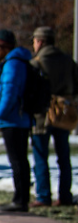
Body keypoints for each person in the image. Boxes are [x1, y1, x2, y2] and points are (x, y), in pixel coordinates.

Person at [29, 26, 77, 207]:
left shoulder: (37, 62)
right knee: (63, 156)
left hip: (43, 114)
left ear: (40, 41)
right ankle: (64, 195)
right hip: (64, 113)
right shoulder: (68, 61)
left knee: (41, 155)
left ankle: (43, 195)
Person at [0, 29, 33, 212]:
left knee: (17, 161)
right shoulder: (21, 62)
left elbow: (9, 93)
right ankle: (21, 198)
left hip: (13, 119)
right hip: (21, 118)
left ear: (4, 47)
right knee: (20, 160)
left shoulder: (12, 65)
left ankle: (20, 200)